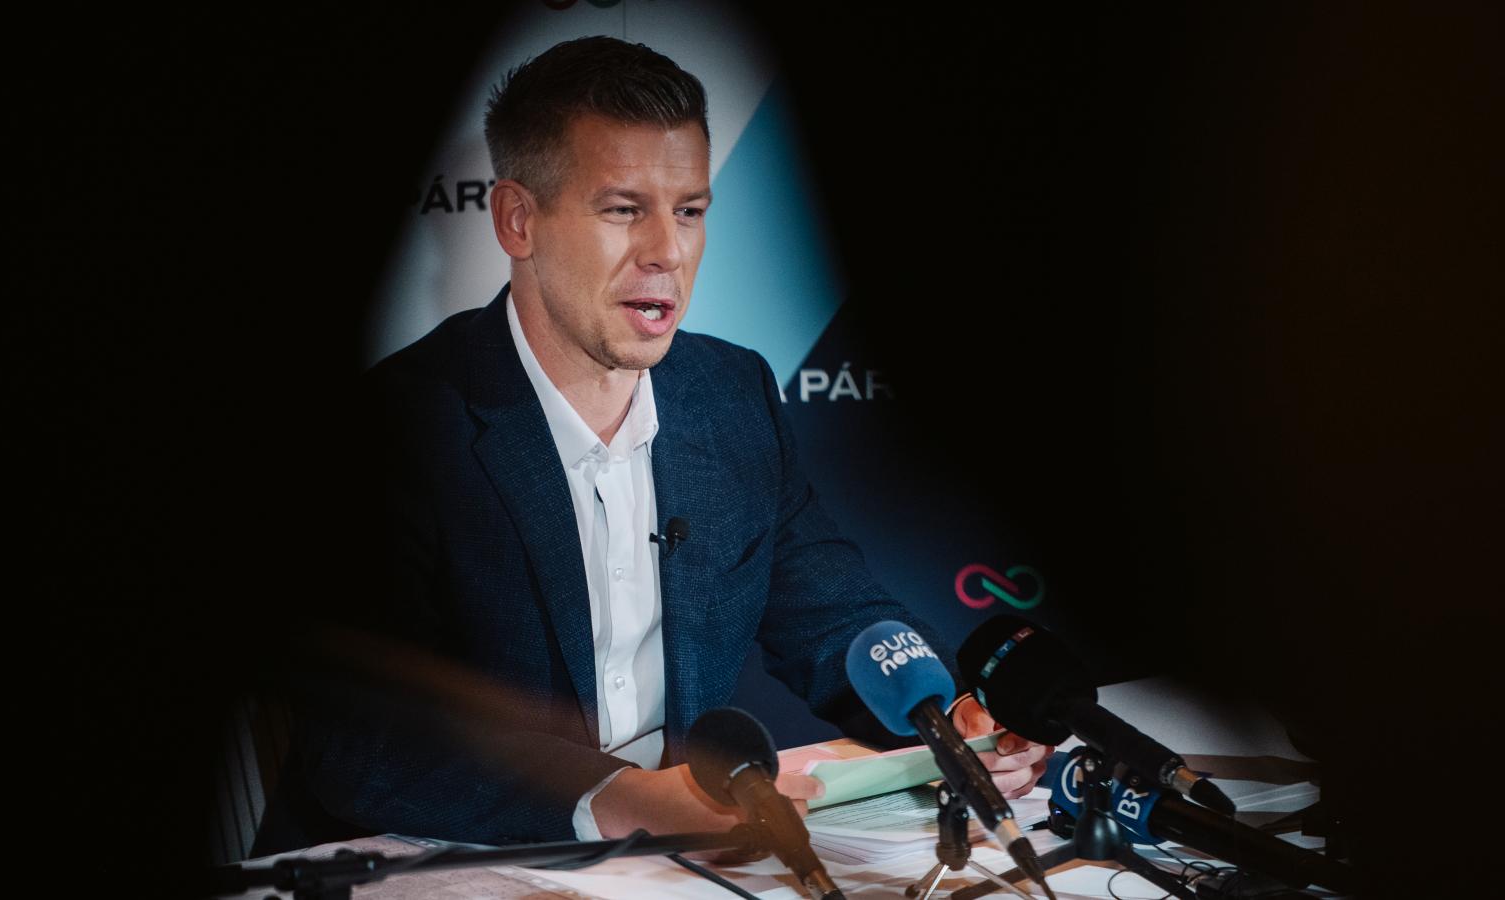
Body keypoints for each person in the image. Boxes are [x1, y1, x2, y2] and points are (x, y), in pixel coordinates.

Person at [267, 35, 1050, 853]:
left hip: (674, 863)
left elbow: (836, 615)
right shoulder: (392, 430)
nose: (667, 252)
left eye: (688, 211)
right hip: (424, 860)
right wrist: (621, 799)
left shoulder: (731, 395)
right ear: (518, 220)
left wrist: (952, 718)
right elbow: (365, 740)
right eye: (622, 209)